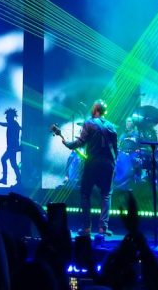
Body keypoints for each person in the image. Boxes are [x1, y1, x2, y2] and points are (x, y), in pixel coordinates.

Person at [52, 99, 118, 235]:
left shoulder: (89, 123)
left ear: (95, 110)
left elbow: (80, 142)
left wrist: (66, 143)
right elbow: (115, 149)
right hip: (108, 164)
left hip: (93, 164)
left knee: (85, 194)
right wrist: (112, 164)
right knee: (106, 195)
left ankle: (86, 227)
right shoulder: (111, 126)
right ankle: (103, 228)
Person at [0, 107, 22, 186]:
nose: (6, 117)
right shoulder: (14, 124)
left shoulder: (13, 123)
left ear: (11, 116)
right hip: (11, 147)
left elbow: (5, 124)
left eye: (7, 116)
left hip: (12, 148)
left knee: (3, 159)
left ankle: (5, 179)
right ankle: (19, 180)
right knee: (13, 164)